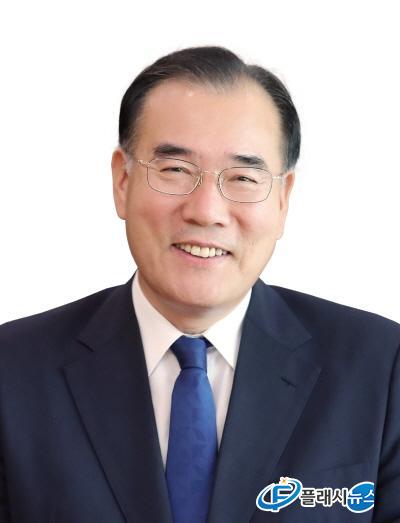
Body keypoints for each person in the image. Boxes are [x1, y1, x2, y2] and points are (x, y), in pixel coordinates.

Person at [0, 46, 399, 523]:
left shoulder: (381, 367)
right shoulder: (12, 370)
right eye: (175, 170)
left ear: (283, 199)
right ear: (122, 181)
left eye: (243, 177)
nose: (206, 211)